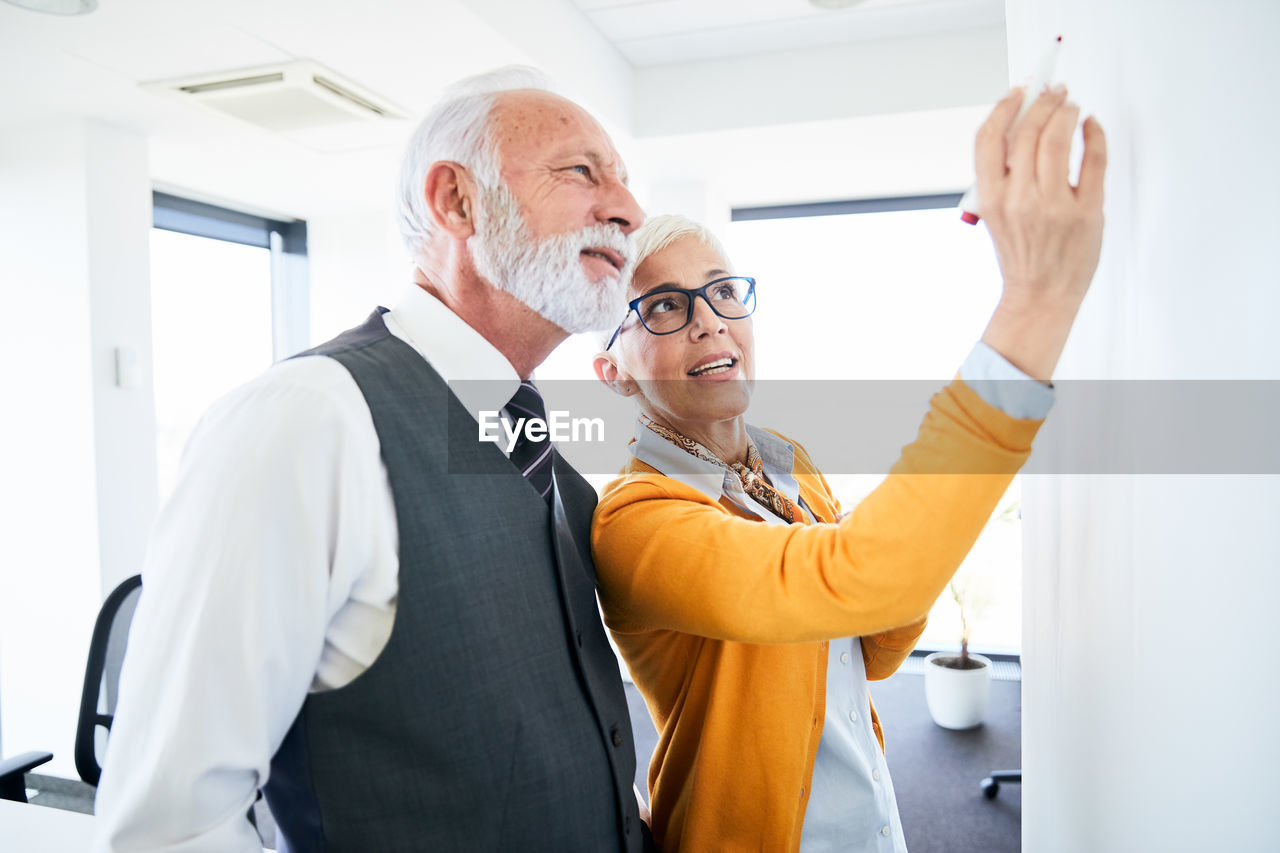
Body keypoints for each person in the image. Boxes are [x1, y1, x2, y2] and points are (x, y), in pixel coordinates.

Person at [93, 67, 655, 852]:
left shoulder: (537, 444)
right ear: (456, 201)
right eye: (582, 173)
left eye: (626, 182)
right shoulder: (308, 418)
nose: (628, 210)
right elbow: (172, 825)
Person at [589, 85, 1106, 851]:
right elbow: (852, 580)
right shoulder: (635, 522)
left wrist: (893, 562)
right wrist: (1036, 305)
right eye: (664, 306)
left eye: (724, 292)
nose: (709, 319)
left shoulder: (786, 459)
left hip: (871, 815)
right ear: (614, 372)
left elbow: (875, 645)